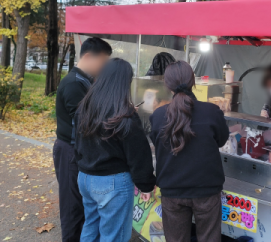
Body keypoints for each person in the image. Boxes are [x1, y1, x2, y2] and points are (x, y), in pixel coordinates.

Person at [74, 58, 156, 242]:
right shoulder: (124, 116)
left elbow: (76, 143)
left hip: (85, 178)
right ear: (124, 82)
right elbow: (139, 154)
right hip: (111, 183)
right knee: (114, 236)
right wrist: (146, 185)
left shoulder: (86, 107)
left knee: (90, 227)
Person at [150, 61, 229, 242]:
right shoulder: (212, 111)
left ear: (167, 84)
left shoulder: (159, 115)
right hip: (207, 190)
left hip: (172, 190)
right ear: (193, 81)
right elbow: (222, 140)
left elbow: (157, 144)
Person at [53, 37, 112, 242]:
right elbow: (87, 122)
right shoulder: (73, 84)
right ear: (88, 57)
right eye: (103, 62)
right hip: (70, 151)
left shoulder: (85, 81)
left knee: (82, 205)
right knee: (72, 208)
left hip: (78, 150)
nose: (104, 68)